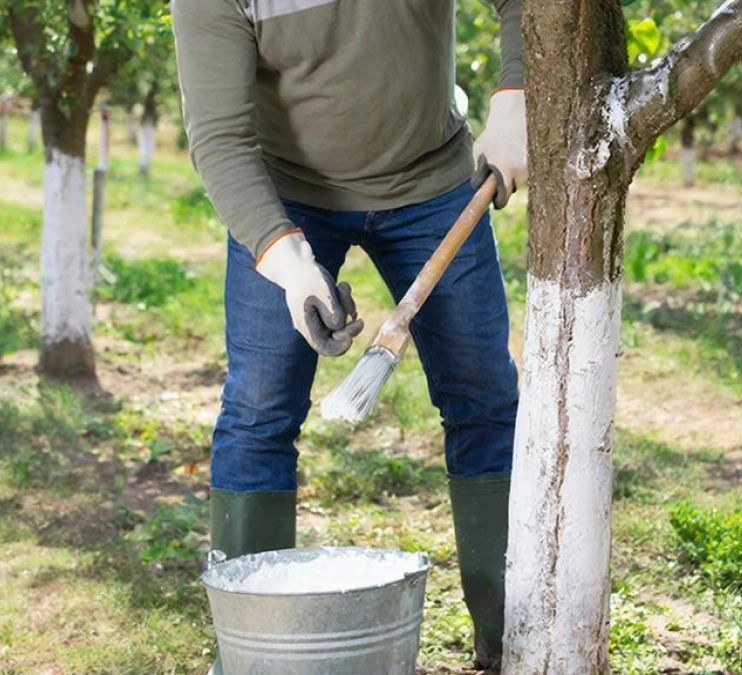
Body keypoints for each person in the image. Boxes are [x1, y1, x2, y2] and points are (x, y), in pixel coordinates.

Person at [171, 0, 526, 671]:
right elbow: (219, 137)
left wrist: (517, 96)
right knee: (259, 410)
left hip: (433, 182)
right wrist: (288, 261)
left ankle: (512, 631)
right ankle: (256, 647)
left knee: (484, 399)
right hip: (287, 194)